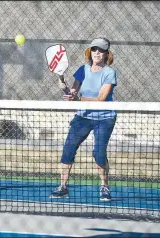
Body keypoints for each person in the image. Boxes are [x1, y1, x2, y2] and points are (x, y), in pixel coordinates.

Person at [50, 37, 117, 202]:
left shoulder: (109, 73)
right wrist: (66, 88)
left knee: (99, 153)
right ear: (90, 51)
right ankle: (63, 187)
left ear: (106, 54)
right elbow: (73, 93)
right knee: (68, 148)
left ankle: (104, 187)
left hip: (105, 117)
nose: (97, 53)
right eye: (94, 49)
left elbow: (101, 98)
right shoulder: (83, 69)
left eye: (101, 50)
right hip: (83, 116)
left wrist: (79, 99)